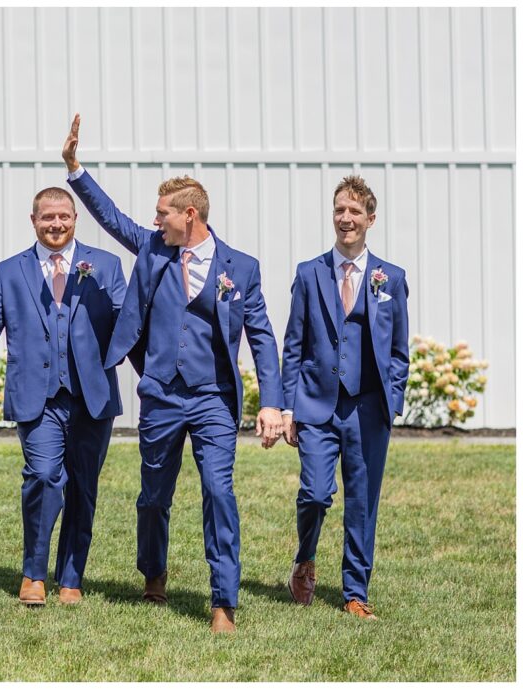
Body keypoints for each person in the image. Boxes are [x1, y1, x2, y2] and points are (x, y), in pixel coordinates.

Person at [62, 114, 283, 633]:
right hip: (161, 393)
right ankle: (153, 572)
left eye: (163, 214)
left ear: (190, 214)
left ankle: (223, 600)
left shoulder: (241, 268)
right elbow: (113, 219)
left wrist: (271, 401)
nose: (155, 220)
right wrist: (75, 170)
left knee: (218, 491)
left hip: (214, 397)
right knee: (153, 494)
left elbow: (263, 337)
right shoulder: (155, 250)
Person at [0, 187, 126, 606]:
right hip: (37, 397)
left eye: (64, 216)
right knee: (42, 477)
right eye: (47, 218)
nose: (56, 224)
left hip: (91, 397)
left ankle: (72, 577)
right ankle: (34, 574)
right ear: (34, 220)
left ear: (75, 218)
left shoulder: (107, 266)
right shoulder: (9, 271)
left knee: (83, 486)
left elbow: (125, 324)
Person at [281, 175, 410, 620]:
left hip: (368, 408)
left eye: (355, 211)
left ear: (370, 219)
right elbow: (293, 345)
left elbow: (399, 351)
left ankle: (356, 591)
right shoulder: (309, 273)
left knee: (362, 500)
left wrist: (391, 404)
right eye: (339, 210)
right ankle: (305, 557)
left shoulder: (390, 277)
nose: (346, 218)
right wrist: (289, 407)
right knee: (315, 493)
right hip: (317, 404)